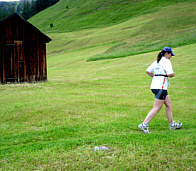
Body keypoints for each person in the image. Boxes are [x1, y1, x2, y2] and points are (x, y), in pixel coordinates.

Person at [138, 47, 182, 133]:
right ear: (167, 53)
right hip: (161, 88)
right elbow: (170, 74)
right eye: (170, 55)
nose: (171, 57)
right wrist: (173, 74)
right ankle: (144, 124)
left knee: (168, 104)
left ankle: (172, 124)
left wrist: (156, 76)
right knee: (157, 107)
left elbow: (148, 71)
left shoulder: (157, 61)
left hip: (155, 86)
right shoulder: (166, 61)